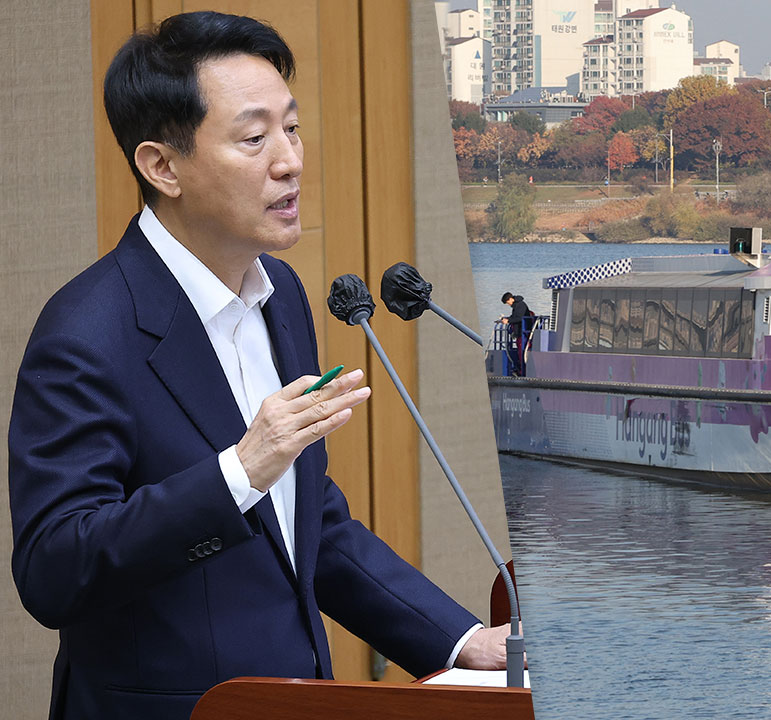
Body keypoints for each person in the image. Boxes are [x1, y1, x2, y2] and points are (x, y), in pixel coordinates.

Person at [8, 13, 509, 720]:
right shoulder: (87, 334)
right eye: (254, 137)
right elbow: (54, 570)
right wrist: (238, 471)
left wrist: (460, 641)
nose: (290, 161)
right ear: (161, 166)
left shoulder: (281, 296)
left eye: (292, 128)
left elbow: (309, 522)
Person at [500, 292, 535, 376]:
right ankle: (520, 369)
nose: (508, 304)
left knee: (522, 351)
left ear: (510, 299)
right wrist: (506, 319)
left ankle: (522, 371)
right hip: (519, 332)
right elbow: (515, 317)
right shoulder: (516, 306)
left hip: (523, 332)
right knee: (520, 351)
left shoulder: (520, 305)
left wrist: (508, 321)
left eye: (508, 302)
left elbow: (519, 318)